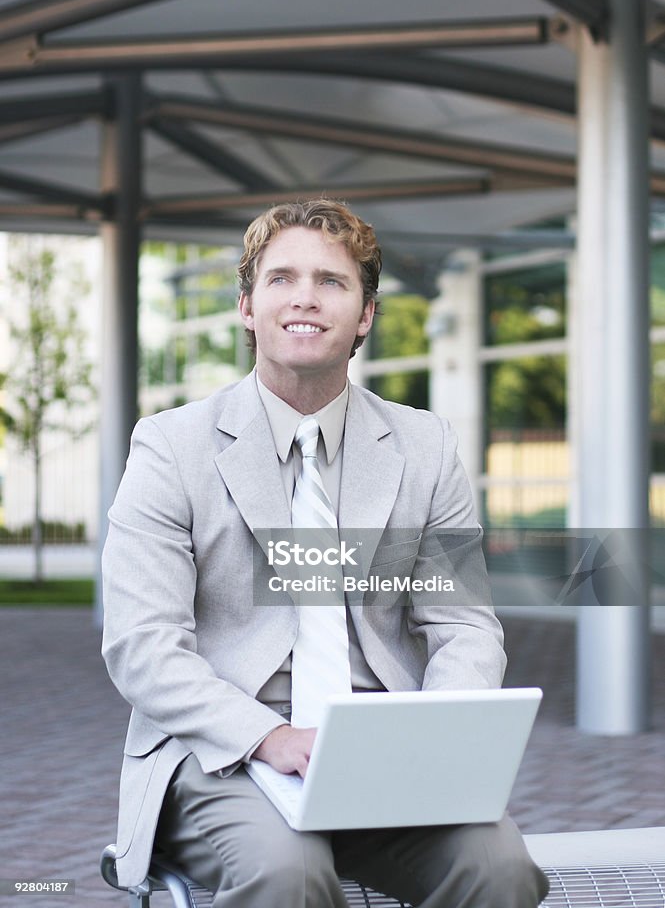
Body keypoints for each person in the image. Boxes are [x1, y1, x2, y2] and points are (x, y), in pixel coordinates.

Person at [102, 199, 549, 907]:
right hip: (225, 752)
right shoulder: (170, 447)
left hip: (384, 750)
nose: (304, 297)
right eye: (281, 279)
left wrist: (434, 735)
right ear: (247, 306)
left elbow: (461, 623)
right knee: (289, 875)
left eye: (331, 281)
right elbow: (142, 646)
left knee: (498, 869)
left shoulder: (424, 448)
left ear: (365, 314)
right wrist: (270, 737)